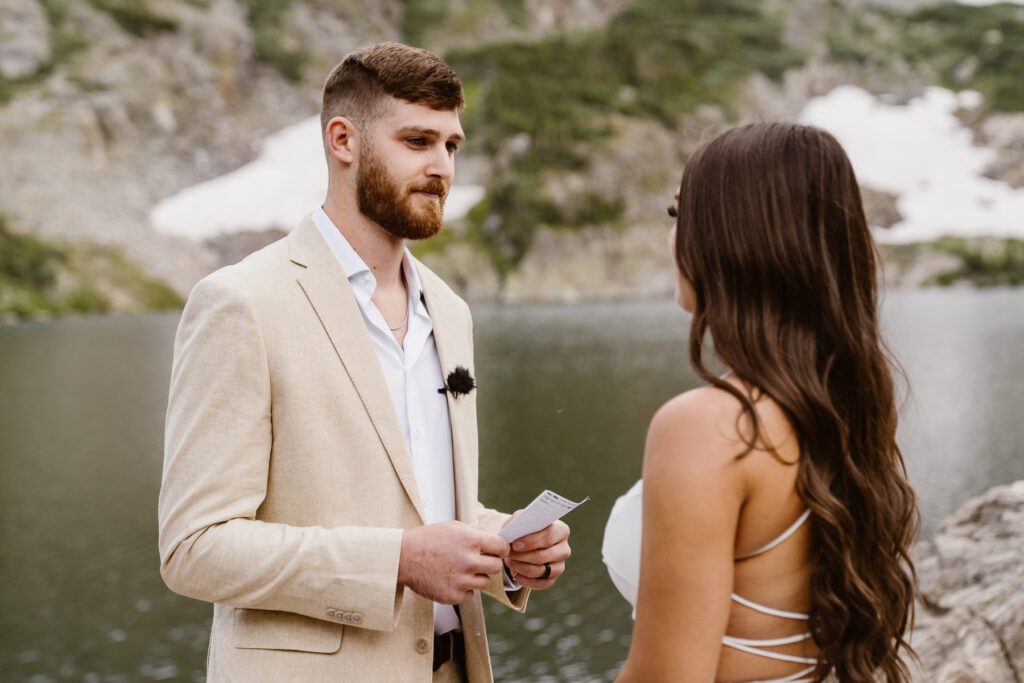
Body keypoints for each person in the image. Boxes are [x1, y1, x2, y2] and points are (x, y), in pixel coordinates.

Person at [158, 42, 571, 683]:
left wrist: (507, 548)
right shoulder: (240, 302)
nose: (441, 167)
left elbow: (419, 504)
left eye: (451, 146)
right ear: (343, 140)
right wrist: (399, 562)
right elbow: (194, 548)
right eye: (417, 141)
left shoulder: (450, 310)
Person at [603, 122, 919, 683]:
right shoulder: (846, 404)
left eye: (681, 217)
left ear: (737, 235)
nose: (672, 240)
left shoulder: (710, 426)